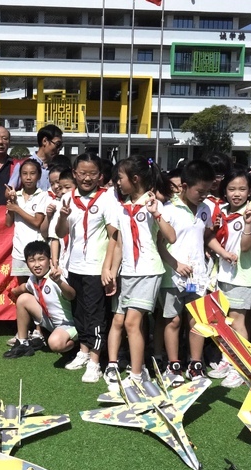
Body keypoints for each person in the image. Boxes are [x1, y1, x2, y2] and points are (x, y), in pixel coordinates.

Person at [102, 155, 177, 384]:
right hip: (128, 272)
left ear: (134, 179)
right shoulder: (122, 208)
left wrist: (156, 213)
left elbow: (171, 237)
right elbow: (120, 243)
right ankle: (140, 370)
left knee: (131, 322)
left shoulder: (154, 204)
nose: (117, 182)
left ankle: (136, 375)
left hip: (148, 270)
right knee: (126, 322)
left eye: (120, 178)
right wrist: (113, 271)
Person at [55, 153, 119, 383]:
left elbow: (114, 236)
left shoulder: (107, 198)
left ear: (100, 175)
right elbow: (60, 232)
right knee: (79, 313)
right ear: (74, 173)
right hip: (74, 265)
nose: (87, 178)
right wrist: (62, 217)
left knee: (96, 315)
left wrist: (108, 268)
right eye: (82, 173)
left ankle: (95, 361)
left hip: (95, 267)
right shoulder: (67, 198)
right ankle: (83, 351)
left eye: (92, 173)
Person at [156, 160, 216, 383]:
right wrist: (176, 264)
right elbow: (159, 244)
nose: (204, 195)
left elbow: (205, 236)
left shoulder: (205, 209)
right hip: (173, 276)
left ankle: (195, 365)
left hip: (198, 276)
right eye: (200, 191)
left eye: (207, 191)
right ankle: (173, 366)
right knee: (173, 320)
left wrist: (221, 252)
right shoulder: (168, 210)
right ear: (184, 186)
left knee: (197, 320)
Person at [210, 169, 251, 387]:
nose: (236, 194)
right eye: (231, 189)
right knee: (224, 320)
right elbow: (210, 237)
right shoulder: (221, 211)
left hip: (243, 275)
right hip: (222, 274)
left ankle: (241, 366)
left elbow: (246, 247)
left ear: (250, 191)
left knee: (238, 321)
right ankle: (227, 359)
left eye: (242, 189)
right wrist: (223, 253)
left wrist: (247, 223)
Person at [4, 240, 77, 358]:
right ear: (27, 263)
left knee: (55, 344)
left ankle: (77, 345)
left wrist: (59, 282)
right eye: (32, 260)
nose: (37, 264)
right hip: (50, 322)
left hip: (68, 324)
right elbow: (25, 287)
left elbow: (71, 295)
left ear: (50, 260)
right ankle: (23, 343)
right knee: (23, 299)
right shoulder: (32, 279)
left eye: (41, 259)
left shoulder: (56, 277)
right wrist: (13, 291)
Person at [9, 124, 62, 190]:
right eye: (57, 144)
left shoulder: (57, 167)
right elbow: (9, 190)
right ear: (45, 141)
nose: (59, 149)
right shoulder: (23, 165)